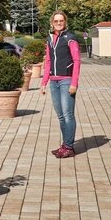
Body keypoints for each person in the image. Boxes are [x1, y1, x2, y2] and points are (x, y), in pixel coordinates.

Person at [40, 10, 81, 158]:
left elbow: (77, 61)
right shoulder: (50, 39)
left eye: (61, 21)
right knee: (61, 116)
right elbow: (48, 62)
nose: (58, 23)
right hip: (54, 82)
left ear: (65, 22)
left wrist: (74, 83)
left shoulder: (70, 38)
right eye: (56, 21)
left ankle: (69, 147)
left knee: (68, 114)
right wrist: (44, 82)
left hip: (67, 81)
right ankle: (65, 144)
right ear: (52, 23)